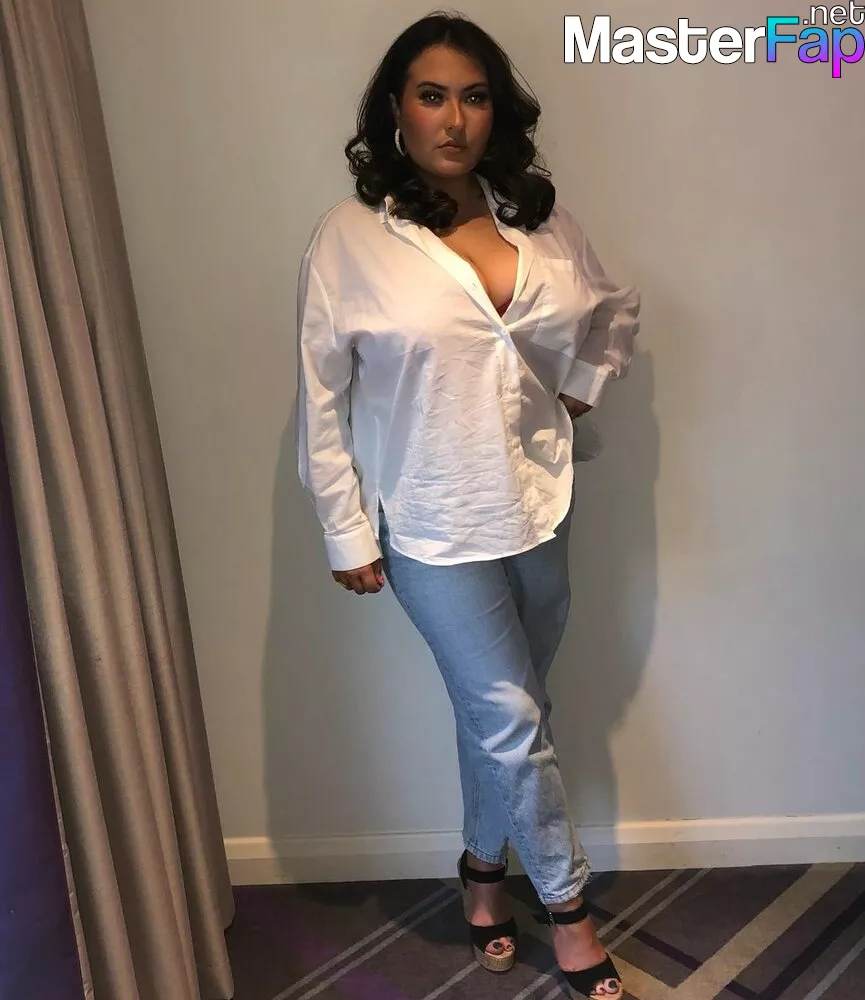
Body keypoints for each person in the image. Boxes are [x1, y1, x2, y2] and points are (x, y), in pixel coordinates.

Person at [294, 12, 639, 999]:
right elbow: (320, 399)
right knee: (510, 720)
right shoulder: (350, 238)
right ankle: (568, 912)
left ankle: (482, 873)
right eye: (432, 95)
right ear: (396, 110)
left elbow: (612, 310)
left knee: (514, 716)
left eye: (474, 96)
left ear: (497, 112)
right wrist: (345, 531)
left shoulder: (537, 217)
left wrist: (578, 394)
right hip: (430, 521)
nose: (453, 119)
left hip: (537, 505)